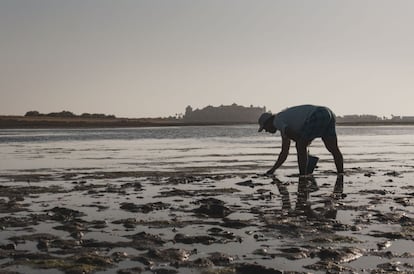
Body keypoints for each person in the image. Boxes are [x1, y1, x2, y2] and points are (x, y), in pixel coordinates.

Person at [258, 104, 343, 176]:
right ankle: (340, 173)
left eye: (265, 127)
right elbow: (284, 152)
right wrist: (273, 169)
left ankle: (303, 175)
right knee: (333, 149)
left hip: (316, 114)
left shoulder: (277, 121)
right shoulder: (283, 121)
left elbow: (294, 136)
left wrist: (302, 142)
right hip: (327, 112)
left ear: (268, 122)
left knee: (300, 146)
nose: (266, 130)